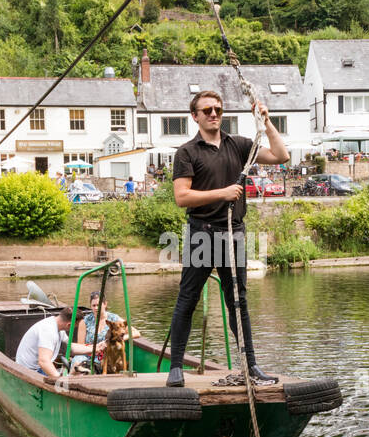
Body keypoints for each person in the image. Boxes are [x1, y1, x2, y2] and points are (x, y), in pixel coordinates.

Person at [164, 89, 288, 388]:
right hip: (201, 234)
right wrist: (223, 192)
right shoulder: (187, 152)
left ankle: (251, 366)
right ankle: (176, 368)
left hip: (234, 234)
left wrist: (267, 122)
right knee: (187, 300)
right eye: (206, 110)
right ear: (195, 116)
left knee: (238, 303)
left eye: (218, 109)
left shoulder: (239, 145)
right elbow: (182, 197)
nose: (213, 114)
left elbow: (281, 156)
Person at [14, 308, 93, 377]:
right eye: (75, 326)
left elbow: (70, 348)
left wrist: (93, 349)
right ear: (69, 325)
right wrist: (60, 379)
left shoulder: (56, 325)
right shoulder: (49, 331)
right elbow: (43, 362)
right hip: (29, 371)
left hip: (39, 367)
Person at [72, 291, 140, 371]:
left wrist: (121, 338)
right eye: (93, 305)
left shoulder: (114, 319)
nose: (96, 308)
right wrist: (95, 348)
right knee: (77, 362)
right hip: (87, 355)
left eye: (98, 305)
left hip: (105, 357)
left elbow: (136, 333)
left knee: (99, 365)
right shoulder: (85, 321)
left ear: (105, 304)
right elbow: (81, 346)